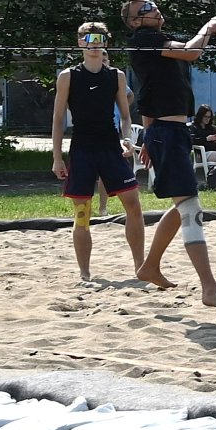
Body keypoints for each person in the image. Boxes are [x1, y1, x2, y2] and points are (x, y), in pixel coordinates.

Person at [123, 0, 216, 310]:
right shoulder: (145, 38)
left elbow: (148, 94)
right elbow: (191, 52)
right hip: (167, 134)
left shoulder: (153, 42)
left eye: (153, 4)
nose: (154, 8)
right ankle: (210, 289)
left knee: (182, 205)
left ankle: (150, 266)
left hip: (169, 132)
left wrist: (148, 135)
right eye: (145, 8)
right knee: (191, 208)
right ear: (135, 21)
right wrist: (208, 27)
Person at [50, 22, 145, 281]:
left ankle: (141, 266)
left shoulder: (116, 76)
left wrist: (127, 139)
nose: (94, 42)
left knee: (133, 204)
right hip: (82, 148)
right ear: (80, 42)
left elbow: (126, 117)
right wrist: (57, 157)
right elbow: (58, 119)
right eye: (88, 38)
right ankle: (85, 274)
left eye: (100, 38)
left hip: (110, 146)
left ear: (105, 43)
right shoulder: (68, 76)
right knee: (82, 214)